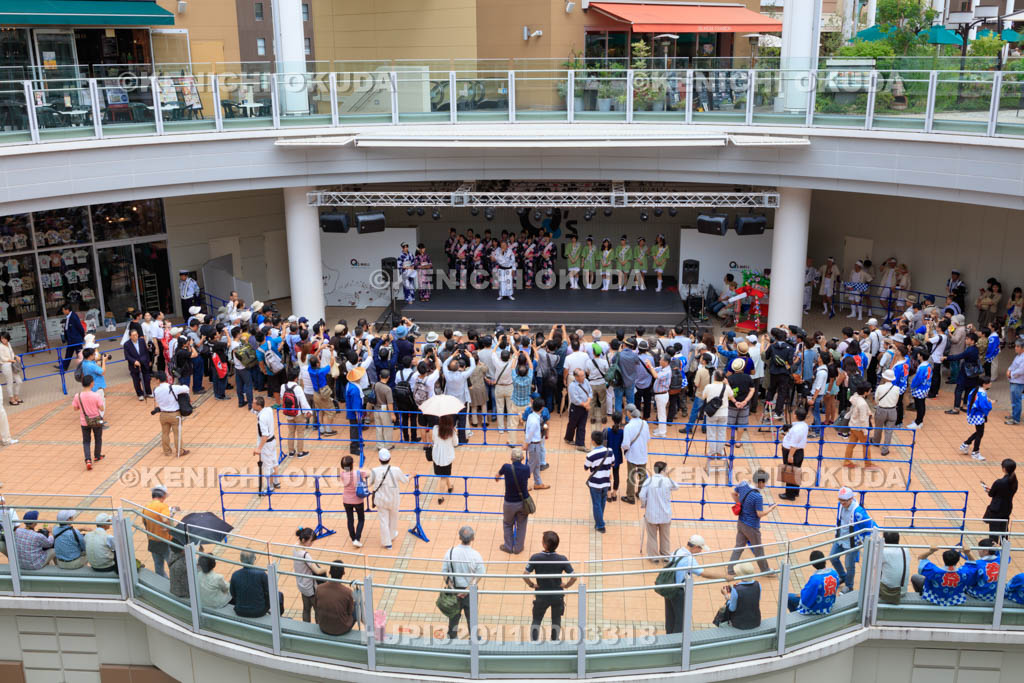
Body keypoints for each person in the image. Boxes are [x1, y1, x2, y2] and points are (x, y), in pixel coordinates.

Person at [662, 534, 727, 633]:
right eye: (700, 549)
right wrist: (724, 576)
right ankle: (677, 638)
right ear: (696, 547)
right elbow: (703, 573)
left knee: (670, 615)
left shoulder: (676, 551)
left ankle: (669, 635)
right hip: (678, 591)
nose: (700, 552)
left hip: (669, 586)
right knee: (681, 618)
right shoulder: (689, 559)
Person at [523, 530, 576, 642]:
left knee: (536, 620)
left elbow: (525, 575)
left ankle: (534, 642)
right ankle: (554, 641)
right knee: (556, 620)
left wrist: (532, 585)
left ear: (544, 544)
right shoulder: (562, 559)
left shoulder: (535, 558)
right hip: (557, 595)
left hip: (542, 594)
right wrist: (566, 585)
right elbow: (574, 577)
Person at [728, 470, 775, 573]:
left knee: (738, 547)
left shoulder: (743, 484)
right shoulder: (758, 496)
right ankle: (765, 570)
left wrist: (739, 503)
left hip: (741, 522)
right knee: (758, 549)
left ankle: (730, 569)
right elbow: (759, 514)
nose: (765, 485)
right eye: (765, 482)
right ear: (760, 482)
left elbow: (733, 493)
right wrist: (770, 509)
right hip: (752, 526)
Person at [442, 526, 485, 639]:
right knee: (472, 616)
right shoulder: (476, 555)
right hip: (470, 591)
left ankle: (452, 636)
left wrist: (452, 587)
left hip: (454, 590)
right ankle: (474, 637)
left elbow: (444, 572)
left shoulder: (450, 552)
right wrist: (467, 590)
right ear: (473, 538)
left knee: (453, 616)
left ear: (459, 537)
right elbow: (480, 573)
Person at [832, 487, 875, 593]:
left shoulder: (858, 512)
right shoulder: (840, 506)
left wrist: (865, 539)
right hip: (840, 538)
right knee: (833, 558)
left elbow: (869, 524)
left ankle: (849, 585)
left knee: (849, 565)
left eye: (845, 500)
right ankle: (843, 576)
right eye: (840, 500)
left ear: (851, 499)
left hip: (852, 542)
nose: (842, 503)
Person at [367, 449, 409, 550]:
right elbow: (405, 480)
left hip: (381, 499)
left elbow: (369, 483)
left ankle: (387, 543)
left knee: (383, 521)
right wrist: (412, 475)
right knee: (394, 518)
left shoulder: (374, 471)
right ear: (390, 458)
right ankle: (392, 535)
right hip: (393, 498)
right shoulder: (396, 470)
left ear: (379, 459)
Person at [911, 545, 976, 606]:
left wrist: (931, 551)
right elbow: (973, 565)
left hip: (932, 598)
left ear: (943, 559)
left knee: (915, 577)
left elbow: (921, 558)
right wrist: (968, 553)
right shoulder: (964, 573)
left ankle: (921, 594)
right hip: (955, 599)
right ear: (958, 560)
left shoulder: (934, 571)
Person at [638, 460, 678, 560]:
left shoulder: (648, 481)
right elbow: (676, 487)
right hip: (665, 514)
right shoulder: (667, 481)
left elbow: (642, 495)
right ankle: (665, 555)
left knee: (652, 536)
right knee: (665, 536)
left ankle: (654, 556)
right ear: (663, 470)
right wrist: (667, 477)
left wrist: (644, 505)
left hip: (651, 514)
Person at [496, 448, 531, 554]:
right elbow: (527, 478)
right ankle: (518, 548)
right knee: (521, 525)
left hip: (509, 503)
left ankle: (508, 547)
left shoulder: (506, 467)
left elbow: (497, 476)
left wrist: (497, 478)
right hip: (523, 502)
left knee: (507, 523)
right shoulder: (526, 468)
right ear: (522, 458)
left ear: (511, 458)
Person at [230, 551, 283, 618]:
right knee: (279, 595)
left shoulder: (235, 575)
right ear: (254, 559)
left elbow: (233, 593)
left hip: (240, 611)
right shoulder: (261, 574)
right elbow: (270, 592)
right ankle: (278, 617)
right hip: (259, 611)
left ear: (240, 560)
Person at [153, 371, 191, 458]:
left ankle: (166, 451)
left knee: (165, 433)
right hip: (175, 414)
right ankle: (179, 451)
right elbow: (186, 388)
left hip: (163, 414)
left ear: (158, 380)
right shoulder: (172, 387)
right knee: (177, 433)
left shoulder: (155, 390)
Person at [72, 374, 105, 470]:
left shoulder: (77, 396)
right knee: (98, 438)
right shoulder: (96, 395)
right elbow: (101, 408)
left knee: (86, 441)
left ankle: (88, 460)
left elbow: (75, 408)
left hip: (84, 421)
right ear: (91, 384)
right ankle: (97, 456)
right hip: (97, 420)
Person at [293, 527, 327, 622]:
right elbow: (317, 571)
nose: (312, 543)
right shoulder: (305, 555)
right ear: (304, 540)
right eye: (311, 541)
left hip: (301, 584)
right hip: (310, 587)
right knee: (317, 610)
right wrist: (325, 568)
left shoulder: (295, 547)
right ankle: (317, 627)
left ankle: (306, 626)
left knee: (306, 609)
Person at [714, 562, 761, 630]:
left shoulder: (736, 589)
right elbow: (755, 600)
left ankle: (718, 622)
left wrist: (726, 596)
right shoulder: (758, 585)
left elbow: (732, 608)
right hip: (755, 621)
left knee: (725, 606)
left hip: (739, 624)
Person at [583, 430, 614, 533]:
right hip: (606, 481)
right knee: (602, 502)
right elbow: (613, 463)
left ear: (593, 441)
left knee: (596, 504)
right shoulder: (610, 451)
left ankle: (600, 525)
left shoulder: (590, 455)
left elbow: (586, 468)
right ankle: (599, 519)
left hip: (595, 483)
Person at [621, 404, 650, 504]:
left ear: (628, 412)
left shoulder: (628, 426)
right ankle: (641, 493)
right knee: (642, 475)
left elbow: (625, 444)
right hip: (642, 453)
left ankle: (630, 497)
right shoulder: (644, 423)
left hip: (632, 454)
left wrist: (624, 449)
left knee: (631, 476)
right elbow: (648, 438)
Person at [959, 375, 993, 461]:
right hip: (979, 414)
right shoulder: (982, 393)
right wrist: (990, 404)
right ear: (984, 384)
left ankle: (966, 444)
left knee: (979, 432)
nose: (990, 383)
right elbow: (983, 406)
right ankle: (975, 452)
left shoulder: (976, 390)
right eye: (989, 382)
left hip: (974, 413)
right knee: (980, 433)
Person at [143, 485, 174, 578]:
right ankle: (174, 582)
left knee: (158, 565)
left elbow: (145, 523)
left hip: (152, 540)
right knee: (172, 564)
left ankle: (162, 582)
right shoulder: (163, 507)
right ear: (163, 495)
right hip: (164, 541)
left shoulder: (146, 507)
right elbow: (165, 519)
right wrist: (168, 528)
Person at [983, 458, 1018, 541]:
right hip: (1007, 508)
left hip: (996, 510)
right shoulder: (1014, 481)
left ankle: (993, 547)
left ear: (1004, 469)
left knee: (994, 533)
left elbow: (991, 494)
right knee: (1004, 531)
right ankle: (1004, 547)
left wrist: (989, 491)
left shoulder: (999, 482)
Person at [780, 407, 809, 500]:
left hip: (792, 452)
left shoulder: (796, 430)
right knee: (796, 471)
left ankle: (790, 495)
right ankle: (795, 491)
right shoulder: (804, 425)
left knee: (790, 472)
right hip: (798, 452)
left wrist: (790, 455)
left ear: (795, 415)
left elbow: (794, 445)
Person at [339, 455, 367, 548]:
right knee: (361, 519)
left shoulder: (342, 474)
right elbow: (367, 474)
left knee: (350, 520)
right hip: (358, 500)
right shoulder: (358, 473)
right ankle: (357, 539)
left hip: (346, 500)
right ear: (352, 464)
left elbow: (347, 472)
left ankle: (353, 538)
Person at [252, 396, 279, 495]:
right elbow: (255, 411)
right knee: (274, 461)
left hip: (266, 444)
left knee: (267, 466)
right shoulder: (268, 410)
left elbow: (265, 435)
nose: (252, 404)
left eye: (253, 403)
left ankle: (269, 487)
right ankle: (276, 481)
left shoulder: (262, 418)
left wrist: (259, 448)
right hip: (273, 441)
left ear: (259, 406)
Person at [843, 383, 873, 469]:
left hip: (853, 424)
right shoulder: (862, 403)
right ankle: (868, 464)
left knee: (851, 444)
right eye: (869, 390)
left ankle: (847, 461)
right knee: (866, 445)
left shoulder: (855, 397)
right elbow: (863, 419)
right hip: (859, 427)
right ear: (865, 392)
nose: (870, 392)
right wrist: (865, 431)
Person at [878, 531, 912, 604]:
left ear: (884, 540)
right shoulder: (905, 550)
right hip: (903, 591)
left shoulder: (884, 551)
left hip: (888, 592)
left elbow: (875, 566)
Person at [871, 369, 899, 455]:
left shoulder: (880, 387)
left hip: (881, 409)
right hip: (892, 410)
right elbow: (897, 400)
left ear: (885, 378)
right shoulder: (897, 388)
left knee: (878, 427)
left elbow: (876, 399)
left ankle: (876, 441)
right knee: (889, 431)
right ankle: (885, 449)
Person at [702, 370, 730, 458]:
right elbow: (731, 395)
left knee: (711, 433)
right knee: (722, 432)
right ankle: (720, 452)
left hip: (712, 413)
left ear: (714, 377)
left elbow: (703, 396)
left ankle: (712, 453)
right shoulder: (726, 387)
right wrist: (727, 383)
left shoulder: (709, 387)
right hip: (723, 413)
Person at [432, 414, 459, 504]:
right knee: (443, 476)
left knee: (444, 473)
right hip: (447, 457)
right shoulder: (451, 431)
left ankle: (450, 487)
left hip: (437, 456)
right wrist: (456, 433)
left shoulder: (435, 428)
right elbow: (455, 443)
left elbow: (433, 439)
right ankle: (440, 497)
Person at [524, 398, 550, 491]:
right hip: (534, 445)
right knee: (531, 465)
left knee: (537, 464)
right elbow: (530, 434)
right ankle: (523, 484)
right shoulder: (535, 421)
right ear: (542, 408)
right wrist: (526, 443)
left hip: (536, 444)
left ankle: (538, 483)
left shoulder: (531, 416)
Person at [564, 368, 591, 452]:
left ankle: (580, 444)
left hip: (585, 407)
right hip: (576, 408)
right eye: (581, 376)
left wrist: (588, 402)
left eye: (584, 375)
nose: (584, 377)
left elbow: (590, 392)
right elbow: (575, 399)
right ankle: (568, 438)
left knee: (582, 426)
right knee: (572, 424)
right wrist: (585, 405)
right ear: (576, 377)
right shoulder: (572, 386)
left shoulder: (586, 381)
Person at [123, 328, 153, 400]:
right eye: (133, 335)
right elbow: (127, 356)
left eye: (136, 335)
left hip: (144, 363)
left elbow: (146, 351)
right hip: (134, 365)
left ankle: (148, 392)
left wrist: (149, 360)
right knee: (136, 381)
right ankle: (140, 394)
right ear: (130, 336)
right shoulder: (126, 344)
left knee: (147, 379)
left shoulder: (142, 341)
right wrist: (134, 361)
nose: (135, 336)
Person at [0, 331, 24, 405]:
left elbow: (12, 353)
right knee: (10, 383)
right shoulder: (0, 346)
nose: (3, 340)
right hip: (6, 366)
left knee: (19, 381)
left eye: (4, 338)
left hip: (13, 365)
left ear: (8, 338)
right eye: (1, 338)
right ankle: (11, 399)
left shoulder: (9, 344)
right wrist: (12, 360)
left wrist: (16, 356)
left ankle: (16, 396)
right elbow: (2, 358)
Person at [60, 303, 85, 371]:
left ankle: (84, 367)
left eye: (63, 310)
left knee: (80, 354)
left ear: (67, 310)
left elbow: (80, 327)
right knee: (68, 353)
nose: (62, 311)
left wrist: (82, 336)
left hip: (76, 339)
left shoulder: (73, 316)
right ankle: (64, 367)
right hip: (71, 339)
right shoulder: (68, 316)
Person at [1008, 340, 1024, 426]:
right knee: (1013, 399)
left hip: (1018, 382)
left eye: (1018, 347)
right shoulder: (1018, 356)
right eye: (1015, 346)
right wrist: (1009, 370)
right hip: (1014, 380)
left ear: (1023, 348)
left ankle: (1016, 419)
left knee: (1017, 400)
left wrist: (1011, 374)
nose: (1015, 348)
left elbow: (1021, 370)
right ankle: (1014, 415)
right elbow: (1012, 365)